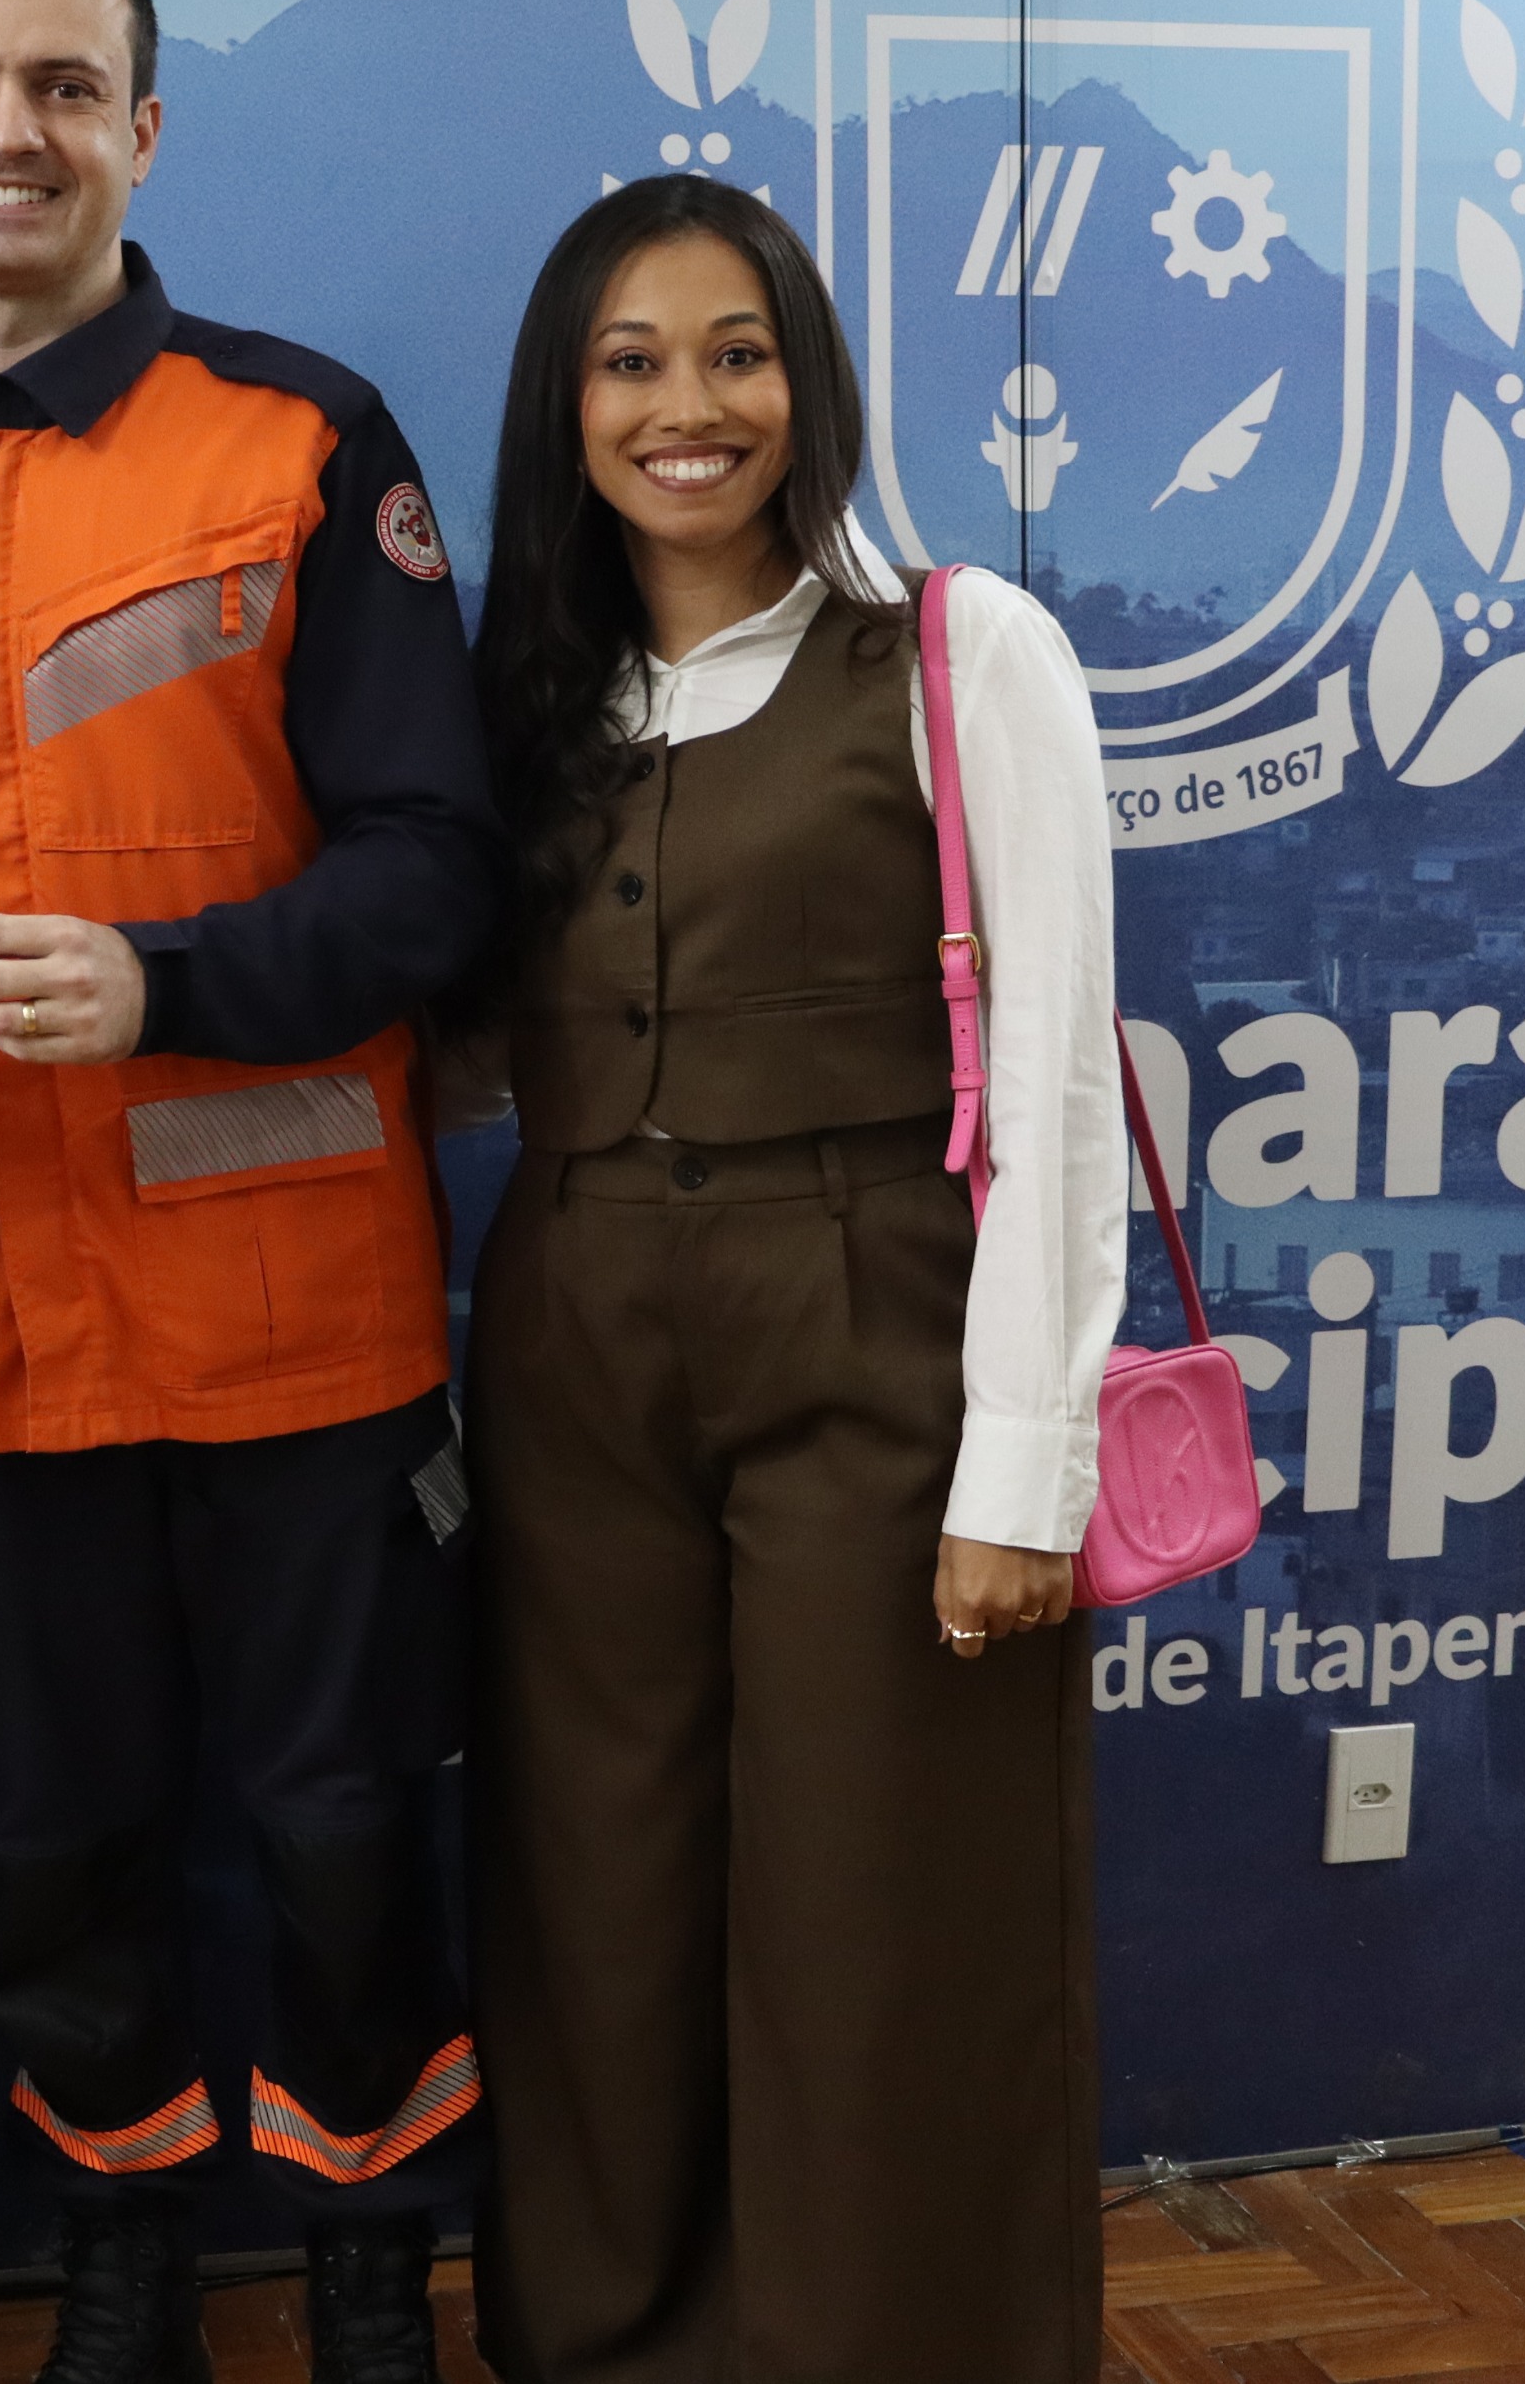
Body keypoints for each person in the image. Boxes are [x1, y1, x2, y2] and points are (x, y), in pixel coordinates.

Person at [0, 0, 505, 2384]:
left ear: (143, 132)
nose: (10, 131)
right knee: (50, 1851)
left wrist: (163, 990)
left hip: (301, 1330)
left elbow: (435, 870)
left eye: (64, 87)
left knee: (345, 1827)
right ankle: (123, 2249)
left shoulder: (298, 440)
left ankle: (373, 2252)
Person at [456, 174, 1122, 2383]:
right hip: (570, 1334)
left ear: (808, 383)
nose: (689, 405)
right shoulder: (524, 707)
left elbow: (1055, 1063)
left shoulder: (956, 652)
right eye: (631, 361)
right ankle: (615, 2345)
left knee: (880, 1892)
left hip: (871, 1328)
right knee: (600, 1882)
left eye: (736, 352)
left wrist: (1025, 1461)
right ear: (565, 405)